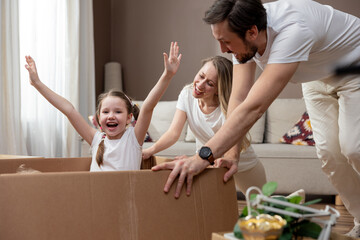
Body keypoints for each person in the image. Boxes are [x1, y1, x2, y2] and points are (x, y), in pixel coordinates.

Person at [152, 0, 360, 237]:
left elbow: (255, 107)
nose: (222, 50)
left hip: (354, 68)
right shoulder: (245, 36)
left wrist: (203, 156)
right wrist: (231, 154)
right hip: (316, 77)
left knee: (354, 147)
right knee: (329, 155)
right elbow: (239, 99)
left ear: (252, 32)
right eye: (218, 40)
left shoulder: (293, 31)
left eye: (226, 41)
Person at [25, 42, 182, 171]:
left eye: (118, 111)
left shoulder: (133, 139)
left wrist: (167, 76)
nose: (111, 115)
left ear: (129, 118)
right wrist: (38, 84)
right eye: (106, 112)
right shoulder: (96, 139)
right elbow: (68, 110)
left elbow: (148, 106)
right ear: (99, 118)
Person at [142, 55, 266, 194]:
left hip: (244, 163)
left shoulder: (228, 109)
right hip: (206, 161)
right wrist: (150, 151)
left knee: (263, 206)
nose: (200, 85)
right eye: (201, 76)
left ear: (219, 89)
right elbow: (173, 133)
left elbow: (227, 149)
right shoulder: (187, 94)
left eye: (210, 84)